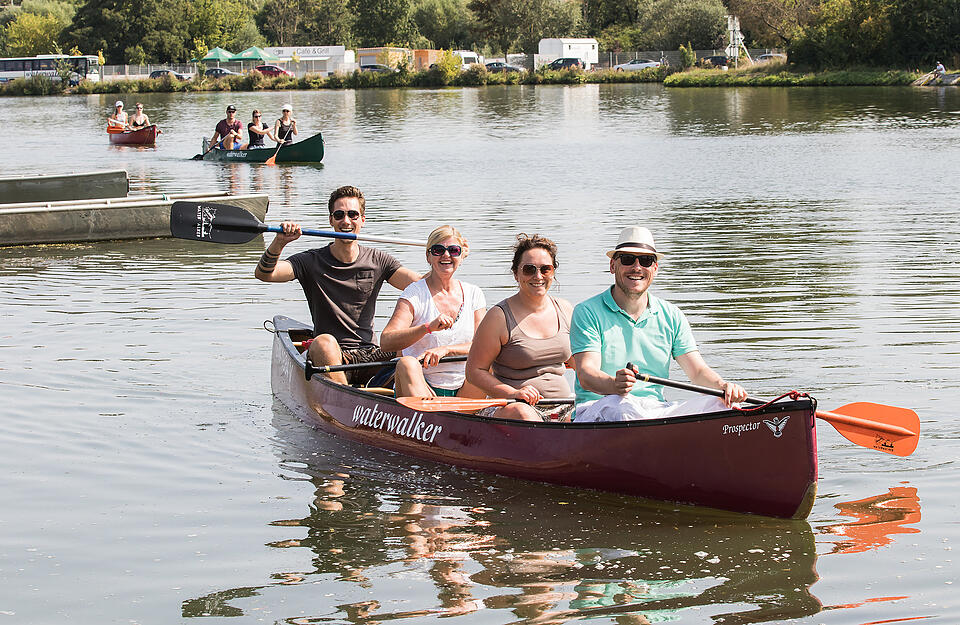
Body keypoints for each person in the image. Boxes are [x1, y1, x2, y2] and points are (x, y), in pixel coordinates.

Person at [570, 226, 748, 422]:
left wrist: (723, 387)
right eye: (628, 259)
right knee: (623, 408)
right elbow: (587, 373)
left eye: (646, 260)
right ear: (613, 265)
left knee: (723, 404)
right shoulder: (587, 311)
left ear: (655, 268)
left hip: (655, 409)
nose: (637, 267)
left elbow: (697, 372)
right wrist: (614, 385)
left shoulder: (672, 315)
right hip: (601, 405)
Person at [254, 185, 420, 385]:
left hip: (370, 355)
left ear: (362, 220)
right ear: (331, 220)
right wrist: (279, 242)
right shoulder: (310, 261)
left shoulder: (379, 260)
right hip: (330, 356)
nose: (346, 221)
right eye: (339, 215)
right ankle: (345, 398)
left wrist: (445, 255)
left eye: (353, 214)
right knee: (324, 342)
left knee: (411, 339)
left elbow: (423, 286)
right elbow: (266, 274)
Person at [465, 234, 575, 421]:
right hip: (514, 408)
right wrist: (513, 393)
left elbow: (578, 362)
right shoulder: (498, 317)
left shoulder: (565, 309)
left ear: (553, 272)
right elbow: (474, 371)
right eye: (529, 269)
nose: (538, 276)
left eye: (545, 269)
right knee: (523, 414)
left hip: (564, 405)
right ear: (516, 274)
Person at [380, 225, 486, 398]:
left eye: (453, 250)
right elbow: (386, 341)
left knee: (490, 363)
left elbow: (482, 345)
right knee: (406, 364)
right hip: (423, 384)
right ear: (428, 256)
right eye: (438, 250)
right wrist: (427, 328)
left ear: (460, 256)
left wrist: (447, 350)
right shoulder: (414, 293)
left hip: (465, 387)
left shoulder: (474, 293)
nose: (446, 255)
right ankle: (431, 416)